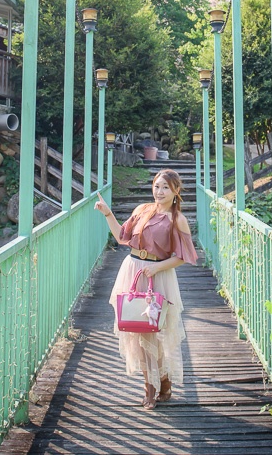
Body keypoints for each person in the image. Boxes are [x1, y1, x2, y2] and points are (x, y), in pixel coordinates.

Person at [95, 169, 198, 410]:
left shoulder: (177, 219)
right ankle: (151, 387)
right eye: (156, 186)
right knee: (137, 332)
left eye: (165, 187)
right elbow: (122, 237)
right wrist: (108, 213)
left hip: (157, 275)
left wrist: (158, 267)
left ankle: (161, 382)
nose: (159, 192)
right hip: (133, 270)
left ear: (176, 191)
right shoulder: (142, 210)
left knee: (155, 332)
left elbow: (184, 256)